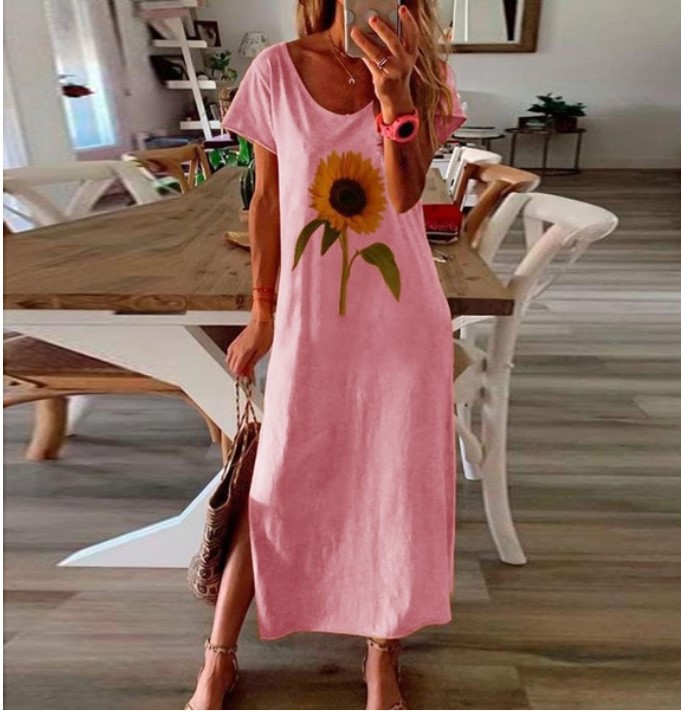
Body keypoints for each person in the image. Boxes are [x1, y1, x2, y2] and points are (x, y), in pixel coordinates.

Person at [184, 1, 466, 709]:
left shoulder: (423, 71)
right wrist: (262, 314)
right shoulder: (276, 70)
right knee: (275, 480)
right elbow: (267, 200)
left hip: (402, 322)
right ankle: (218, 656)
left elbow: (405, 195)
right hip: (311, 320)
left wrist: (395, 91)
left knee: (394, 484)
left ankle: (382, 654)